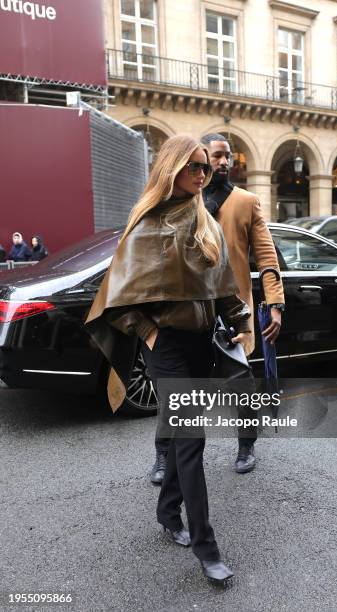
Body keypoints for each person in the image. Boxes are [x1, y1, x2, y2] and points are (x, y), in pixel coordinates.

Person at [85, 134, 252, 585]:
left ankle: (166, 511)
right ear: (171, 168)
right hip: (169, 350)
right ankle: (206, 547)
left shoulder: (205, 221)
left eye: (206, 167)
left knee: (184, 439)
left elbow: (224, 283)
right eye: (194, 166)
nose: (203, 174)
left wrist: (241, 320)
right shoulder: (144, 225)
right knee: (192, 441)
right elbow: (117, 300)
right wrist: (151, 334)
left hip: (203, 345)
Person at [150, 133, 285, 483]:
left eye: (228, 156)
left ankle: (246, 445)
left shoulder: (246, 201)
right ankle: (164, 455)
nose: (224, 163)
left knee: (241, 383)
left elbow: (267, 256)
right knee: (177, 393)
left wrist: (275, 304)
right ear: (200, 162)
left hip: (232, 313)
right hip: (187, 313)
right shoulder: (181, 201)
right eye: (217, 157)